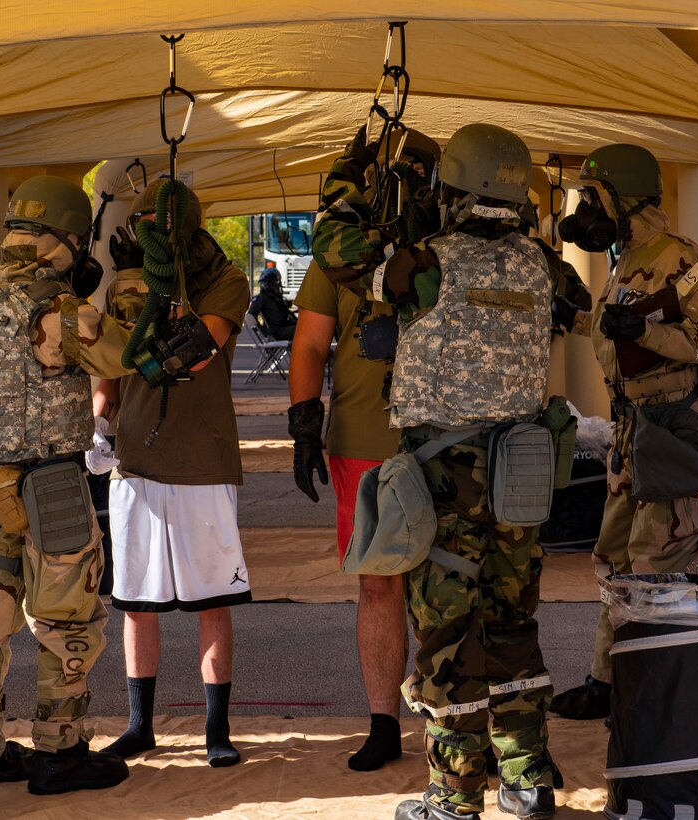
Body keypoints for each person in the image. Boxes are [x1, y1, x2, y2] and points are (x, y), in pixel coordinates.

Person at [313, 123, 560, 820]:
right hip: (520, 468)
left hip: (443, 472)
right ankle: (527, 778)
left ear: (451, 186)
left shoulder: (420, 263)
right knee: (512, 625)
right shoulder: (546, 266)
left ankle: (453, 797)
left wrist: (346, 180)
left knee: (448, 638)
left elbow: (335, 249)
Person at [0, 175, 137, 795]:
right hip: (50, 488)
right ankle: (60, 753)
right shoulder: (56, 309)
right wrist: (129, 288)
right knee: (68, 618)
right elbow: (125, 356)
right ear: (66, 240)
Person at [549, 144, 698, 721]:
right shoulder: (626, 261)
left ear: (619, 200)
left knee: (665, 559)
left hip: (669, 428)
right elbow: (616, 335)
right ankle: (609, 679)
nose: (583, 214)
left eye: (591, 200)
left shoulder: (686, 263)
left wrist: (647, 335)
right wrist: (576, 318)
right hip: (632, 433)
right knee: (616, 560)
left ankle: (670, 689)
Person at [287, 128, 441, 773]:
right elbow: (311, 345)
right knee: (381, 586)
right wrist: (304, 423)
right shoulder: (334, 257)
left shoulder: (447, 249)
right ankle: (384, 720)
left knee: (444, 586)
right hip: (365, 442)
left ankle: (449, 716)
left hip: (443, 437)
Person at [91, 178, 252, 768]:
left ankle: (217, 727)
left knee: (213, 600)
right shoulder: (127, 285)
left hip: (203, 458)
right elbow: (109, 367)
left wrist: (151, 303)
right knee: (136, 600)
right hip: (134, 458)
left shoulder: (225, 279)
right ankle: (140, 725)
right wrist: (99, 423)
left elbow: (196, 346)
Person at [248, 264, 297, 340]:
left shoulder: (274, 298)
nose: (278, 286)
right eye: (276, 283)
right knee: (302, 330)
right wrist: (264, 331)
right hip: (276, 332)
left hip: (283, 328)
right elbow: (251, 314)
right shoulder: (261, 298)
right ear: (270, 284)